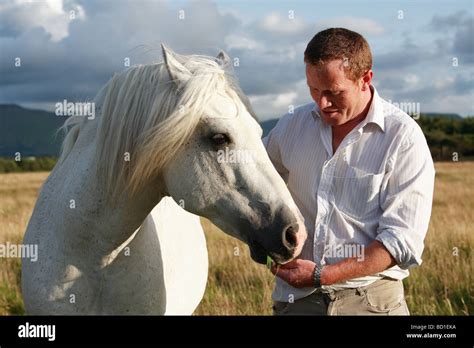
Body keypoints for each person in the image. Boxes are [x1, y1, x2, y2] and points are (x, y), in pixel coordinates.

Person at [263, 28, 435, 315]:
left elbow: (402, 240)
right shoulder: (291, 125)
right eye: (314, 90)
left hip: (371, 302)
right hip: (297, 302)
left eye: (333, 92)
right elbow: (254, 182)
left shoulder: (403, 137)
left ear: (365, 78)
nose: (322, 103)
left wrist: (323, 275)